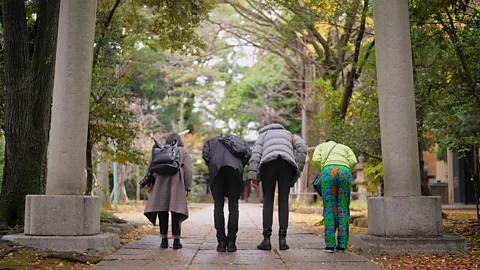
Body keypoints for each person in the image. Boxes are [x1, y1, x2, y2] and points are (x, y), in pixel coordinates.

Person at [248, 123, 307, 251]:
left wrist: (253, 176)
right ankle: (282, 240)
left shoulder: (263, 135)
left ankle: (266, 240)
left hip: (268, 164)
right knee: (283, 200)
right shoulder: (288, 135)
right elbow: (302, 146)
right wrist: (298, 168)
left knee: (268, 200)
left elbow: (256, 154)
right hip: (286, 164)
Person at [144, 133, 192, 250]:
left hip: (159, 183)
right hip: (177, 184)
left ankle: (164, 240)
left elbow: (150, 166)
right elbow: (188, 170)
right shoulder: (183, 151)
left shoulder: (159, 150)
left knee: (162, 210)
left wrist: (148, 182)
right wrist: (187, 187)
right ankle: (176, 241)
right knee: (176, 211)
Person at [202, 135, 249, 252]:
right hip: (235, 171)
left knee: (218, 206)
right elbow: (248, 154)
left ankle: (221, 242)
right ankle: (232, 242)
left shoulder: (211, 141)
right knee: (233, 206)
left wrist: (213, 166)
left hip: (216, 170)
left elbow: (205, 156)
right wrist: (240, 165)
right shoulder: (239, 141)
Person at [312, 139, 357, 253]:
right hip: (344, 172)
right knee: (343, 207)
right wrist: (346, 169)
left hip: (328, 172)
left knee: (329, 208)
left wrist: (323, 168)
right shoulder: (345, 147)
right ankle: (342, 245)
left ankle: (330, 245)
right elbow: (353, 161)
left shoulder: (321, 146)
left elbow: (316, 159)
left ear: (327, 142)